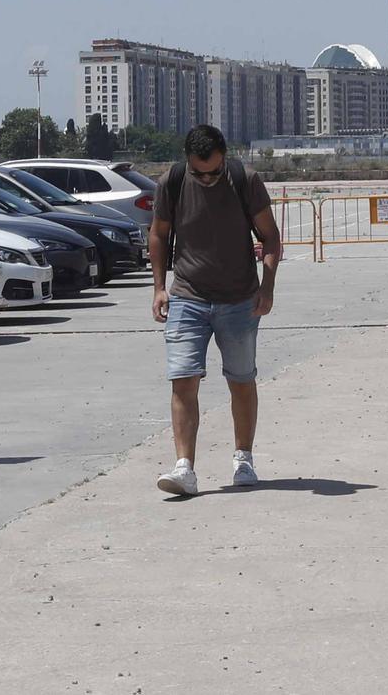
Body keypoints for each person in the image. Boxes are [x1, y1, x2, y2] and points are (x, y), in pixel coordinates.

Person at [151, 124, 282, 499]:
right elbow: (159, 234)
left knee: (241, 379)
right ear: (187, 162)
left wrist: (267, 287)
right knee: (183, 379)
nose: (207, 178)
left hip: (240, 300)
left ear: (225, 157)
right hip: (187, 297)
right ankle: (184, 468)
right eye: (199, 172)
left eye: (214, 172)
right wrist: (159, 287)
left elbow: (269, 235)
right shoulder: (173, 181)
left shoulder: (245, 179)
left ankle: (244, 457)